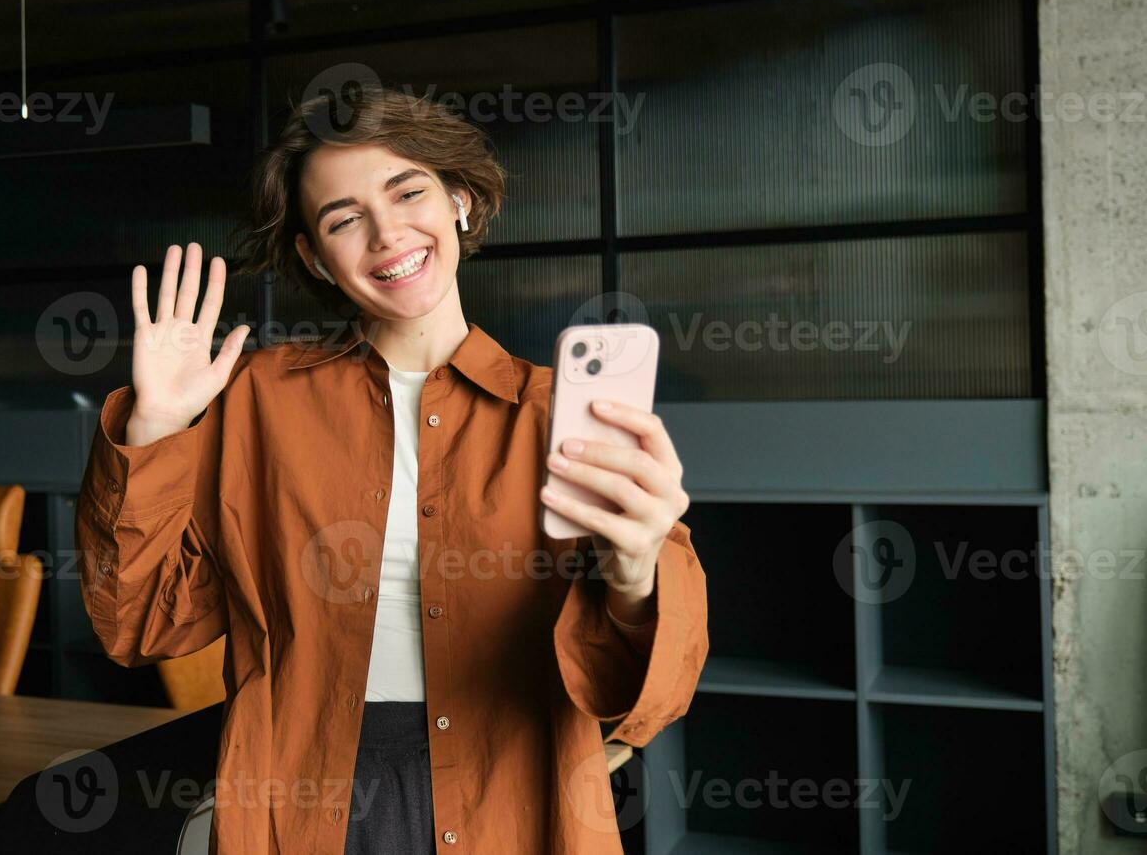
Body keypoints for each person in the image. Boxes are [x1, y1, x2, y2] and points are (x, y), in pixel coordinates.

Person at [75, 85, 708, 854]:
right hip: (302, 800)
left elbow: (651, 699)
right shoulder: (257, 402)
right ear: (314, 255)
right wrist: (155, 430)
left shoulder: (564, 413)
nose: (386, 234)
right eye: (344, 219)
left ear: (461, 203)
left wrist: (639, 570)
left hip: (511, 794)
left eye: (408, 191)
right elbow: (141, 625)